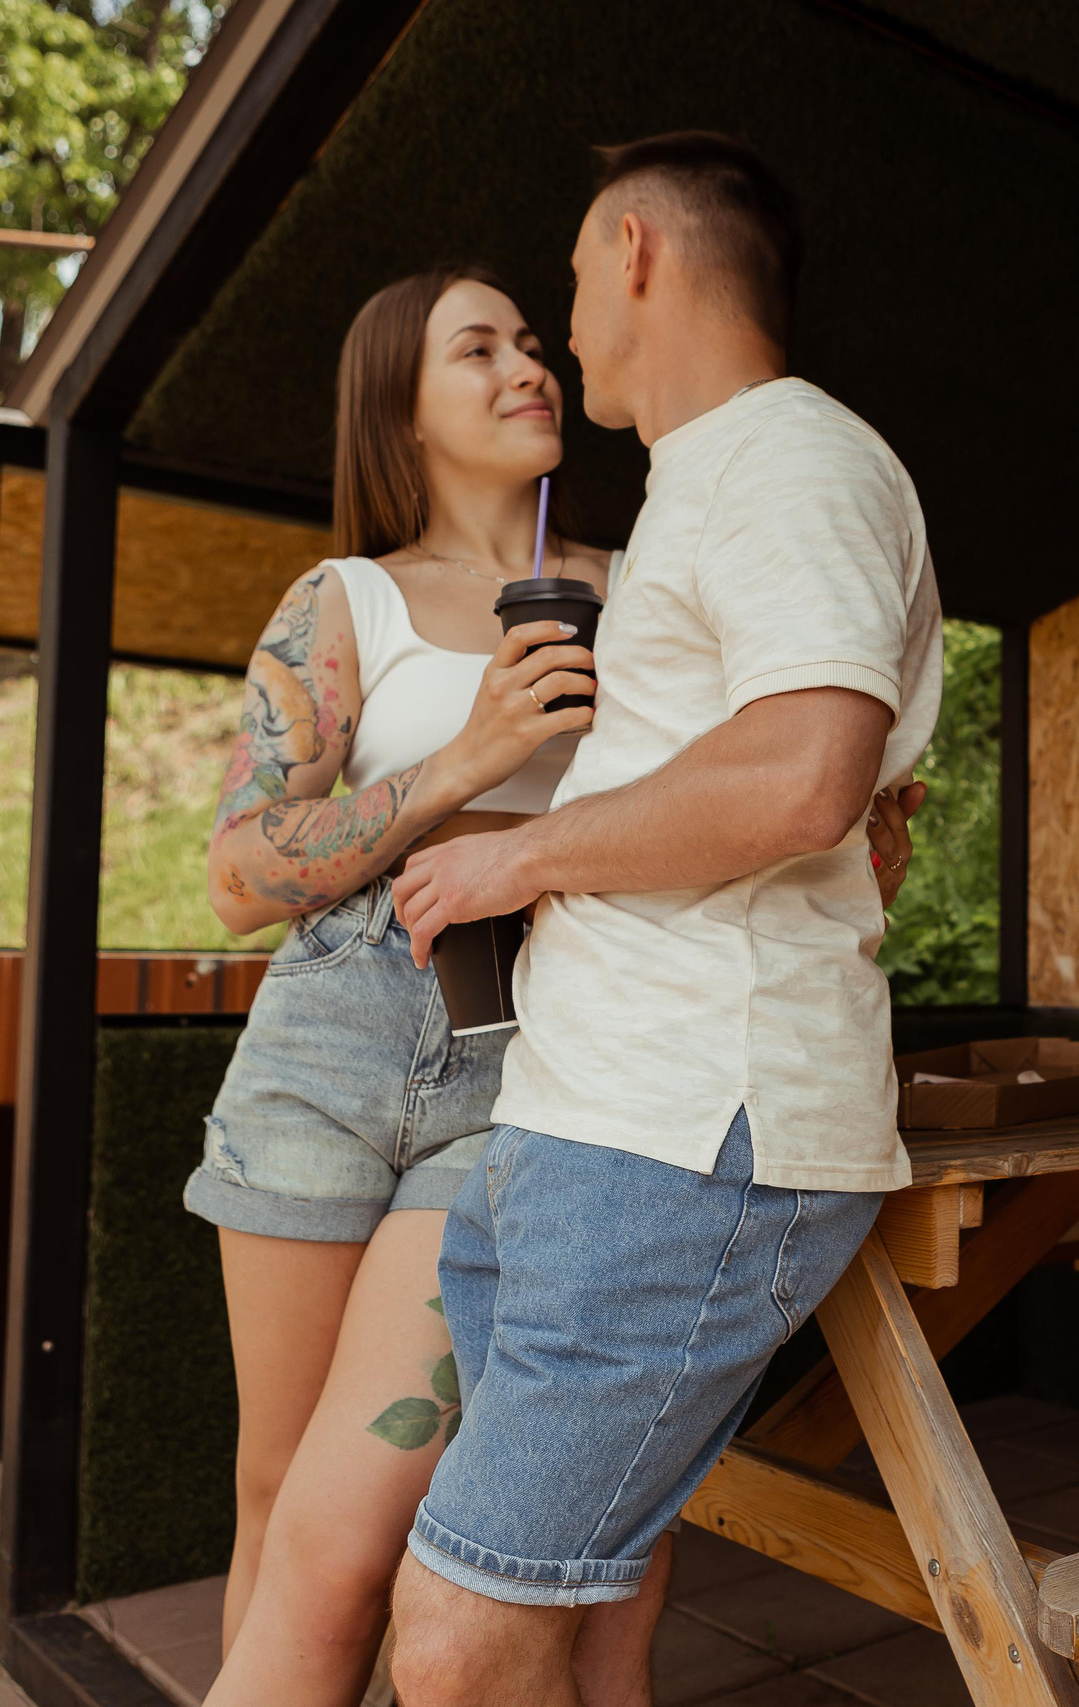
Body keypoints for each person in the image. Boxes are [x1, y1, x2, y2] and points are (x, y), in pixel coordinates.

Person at [185, 260, 925, 1707]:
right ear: (399, 411)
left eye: (534, 339)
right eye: (479, 350)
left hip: (534, 1046)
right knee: (275, 1501)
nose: (529, 365)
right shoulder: (344, 599)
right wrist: (464, 757)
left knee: (358, 1530)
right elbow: (236, 872)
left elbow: (765, 781)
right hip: (329, 1037)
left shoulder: (637, 580)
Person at [382, 132, 944, 1706]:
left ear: (635, 247)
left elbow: (803, 772)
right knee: (568, 1612)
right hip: (600, 1124)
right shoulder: (719, 480)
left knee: (458, 1640)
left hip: (684, 1138)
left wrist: (515, 861)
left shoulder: (788, 459)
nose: (563, 319)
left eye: (567, 277)